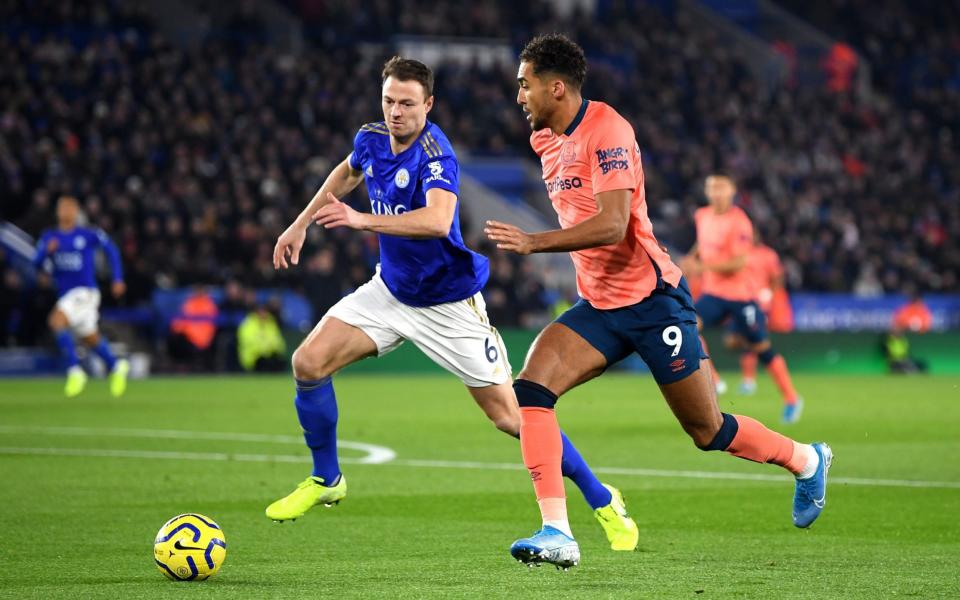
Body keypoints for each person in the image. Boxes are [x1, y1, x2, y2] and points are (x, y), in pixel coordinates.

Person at [485, 34, 831, 569]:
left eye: (524, 85)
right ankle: (558, 530)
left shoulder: (609, 131)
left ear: (556, 87)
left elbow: (613, 223)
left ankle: (807, 459)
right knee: (530, 390)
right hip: (598, 307)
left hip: (653, 302)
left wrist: (535, 242)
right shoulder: (544, 140)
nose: (518, 96)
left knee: (708, 431)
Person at [267, 56, 638, 551]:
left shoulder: (436, 152)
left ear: (429, 104)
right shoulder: (371, 137)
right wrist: (301, 223)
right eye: (389, 101)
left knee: (514, 418)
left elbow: (438, 221)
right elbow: (347, 173)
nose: (396, 112)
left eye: (407, 103)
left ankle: (601, 500)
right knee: (308, 362)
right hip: (392, 291)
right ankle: (327, 479)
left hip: (449, 304)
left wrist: (360, 222)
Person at [688, 175, 804, 423]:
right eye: (712, 188)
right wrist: (691, 258)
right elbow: (702, 242)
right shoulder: (702, 215)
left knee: (761, 348)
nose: (716, 193)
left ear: (731, 191)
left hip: (742, 295)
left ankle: (792, 398)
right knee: (688, 325)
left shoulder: (740, 221)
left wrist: (703, 266)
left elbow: (738, 262)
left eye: (721, 188)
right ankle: (714, 380)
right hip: (714, 293)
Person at [32, 195, 129, 397]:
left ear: (76, 212)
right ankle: (116, 366)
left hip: (85, 292)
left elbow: (111, 249)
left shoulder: (87, 235)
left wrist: (117, 278)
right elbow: (36, 263)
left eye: (70, 208)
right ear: (57, 212)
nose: (66, 211)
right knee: (90, 338)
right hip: (66, 294)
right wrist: (46, 254)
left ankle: (75, 371)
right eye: (62, 208)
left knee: (56, 321)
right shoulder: (49, 237)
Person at [730, 232, 794, 396]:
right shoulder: (739, 253)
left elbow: (777, 278)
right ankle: (750, 379)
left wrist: (769, 293)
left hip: (760, 303)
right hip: (742, 300)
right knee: (738, 340)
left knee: (753, 338)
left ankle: (749, 380)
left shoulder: (768, 255)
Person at [237, 301, 287, 372]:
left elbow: (278, 341)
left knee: (279, 362)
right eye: (260, 311)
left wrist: (274, 351)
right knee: (264, 363)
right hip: (253, 358)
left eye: (265, 311)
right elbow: (248, 341)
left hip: (269, 356)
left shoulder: (271, 323)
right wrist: (266, 348)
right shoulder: (248, 324)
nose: (263, 314)